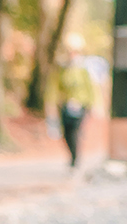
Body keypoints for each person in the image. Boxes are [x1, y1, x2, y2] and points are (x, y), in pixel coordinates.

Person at [54, 34, 96, 169]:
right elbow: (56, 87)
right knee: (66, 132)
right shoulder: (63, 68)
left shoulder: (84, 69)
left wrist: (91, 105)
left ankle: (75, 158)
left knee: (75, 132)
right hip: (66, 105)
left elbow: (91, 88)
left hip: (80, 105)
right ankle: (72, 155)